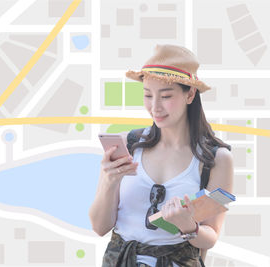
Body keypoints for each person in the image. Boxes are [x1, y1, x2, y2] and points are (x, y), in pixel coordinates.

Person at [89, 44, 234, 267]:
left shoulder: (216, 159)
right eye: (148, 95)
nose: (155, 107)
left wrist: (189, 226)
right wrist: (110, 181)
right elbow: (99, 227)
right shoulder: (129, 145)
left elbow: (211, 236)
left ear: (190, 94)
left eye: (166, 96)